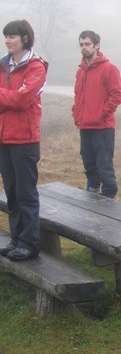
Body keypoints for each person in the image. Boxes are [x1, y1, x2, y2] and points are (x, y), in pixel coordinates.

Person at [0, 20, 48, 261]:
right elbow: (14, 99)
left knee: (25, 192)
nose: (7, 40)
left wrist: (9, 98)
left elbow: (23, 100)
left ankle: (29, 243)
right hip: (3, 139)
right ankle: (17, 239)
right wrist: (12, 98)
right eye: (6, 36)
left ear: (25, 39)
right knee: (11, 191)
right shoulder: (2, 65)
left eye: (12, 36)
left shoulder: (36, 67)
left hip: (25, 140)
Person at [72, 30, 121, 198]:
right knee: (89, 166)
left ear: (97, 45)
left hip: (103, 127)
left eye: (87, 44)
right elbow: (78, 95)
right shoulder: (80, 71)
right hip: (84, 126)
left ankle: (109, 202)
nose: (84, 47)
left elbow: (117, 94)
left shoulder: (109, 68)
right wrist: (76, 114)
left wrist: (102, 113)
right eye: (81, 44)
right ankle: (92, 198)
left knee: (104, 167)